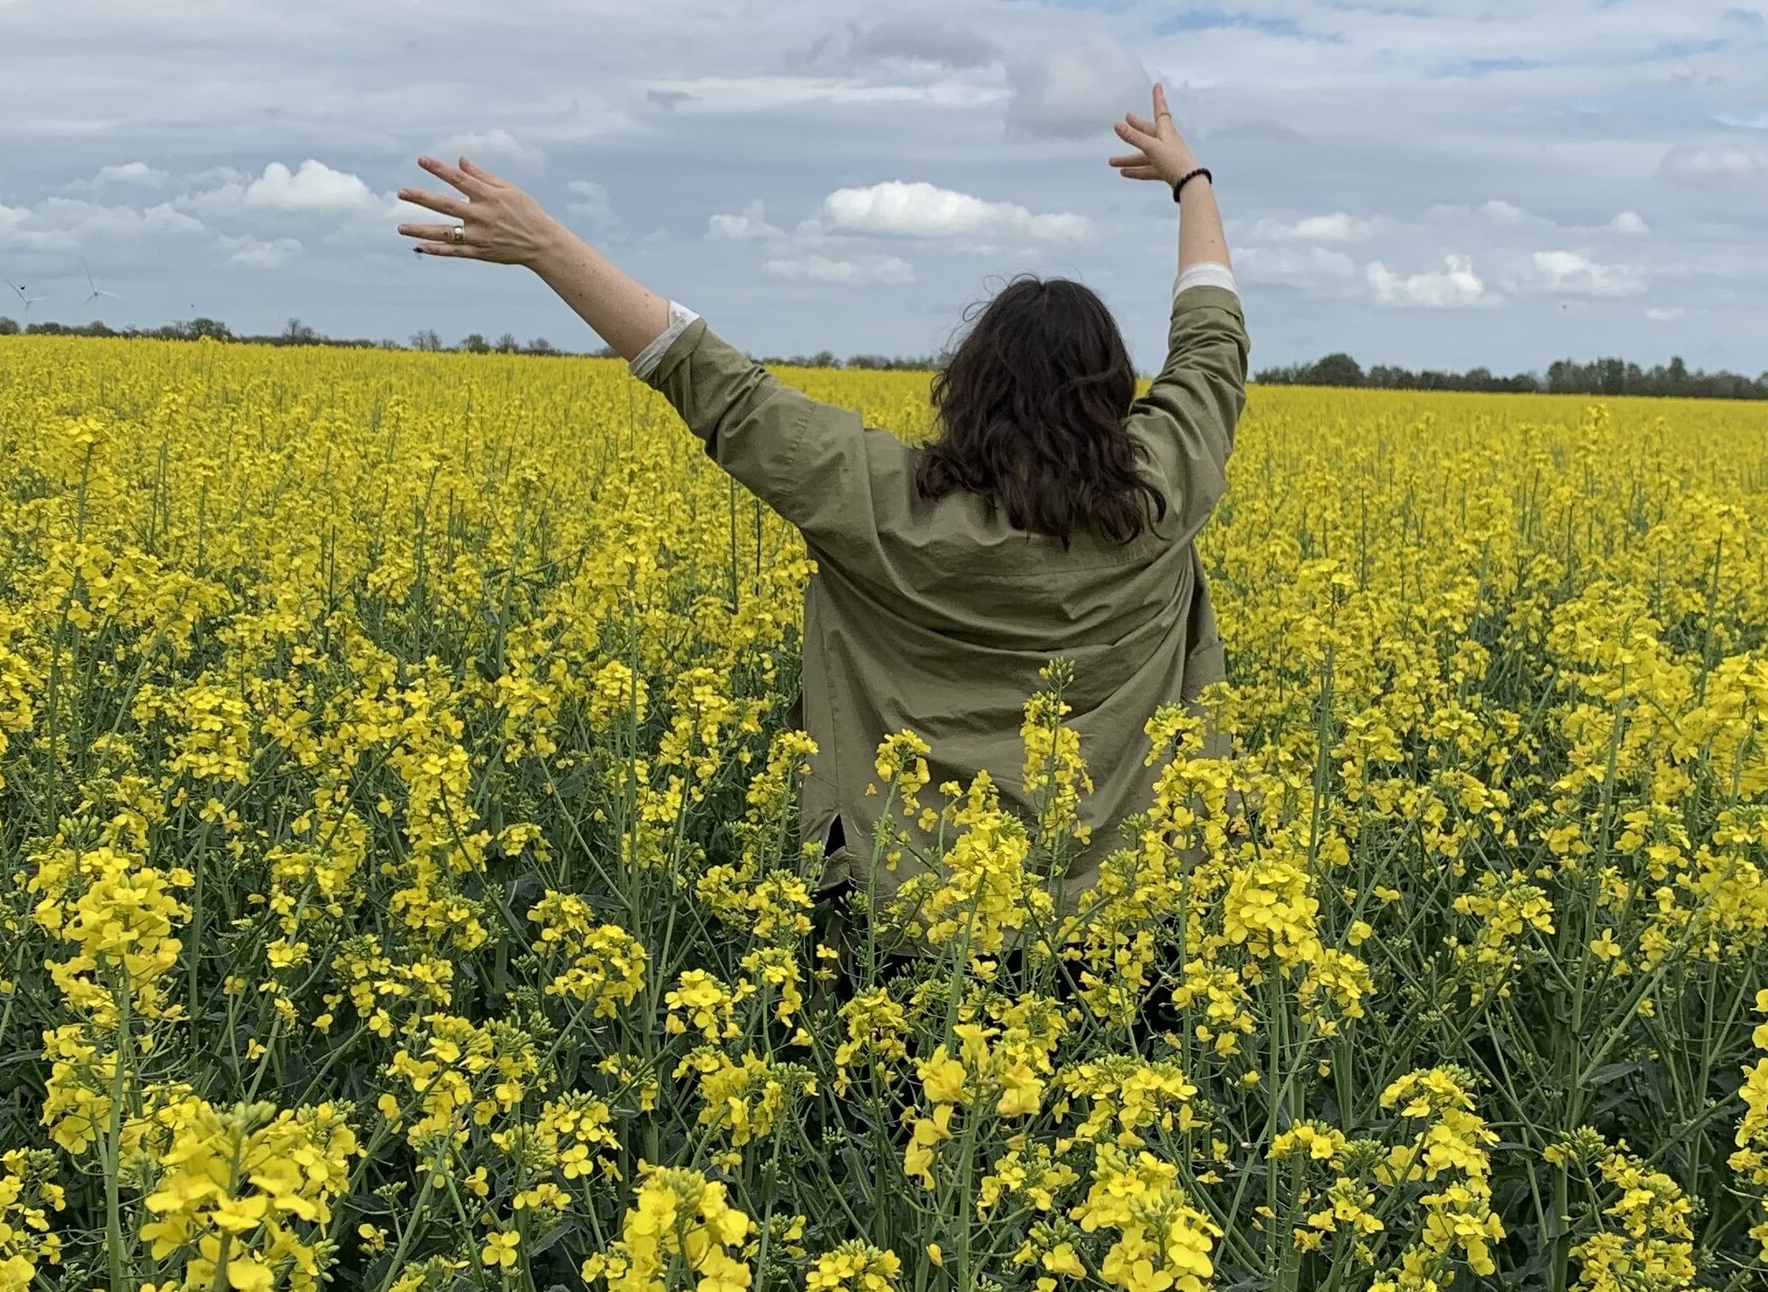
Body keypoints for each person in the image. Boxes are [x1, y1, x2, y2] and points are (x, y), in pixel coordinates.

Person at [397, 86, 1245, 890]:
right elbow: (1211, 339)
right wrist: (1190, 180)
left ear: (969, 386)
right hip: (1131, 920)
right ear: (1111, 394)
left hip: (899, 915)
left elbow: (712, 380)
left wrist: (545, 244)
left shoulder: (879, 498)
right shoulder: (1161, 492)